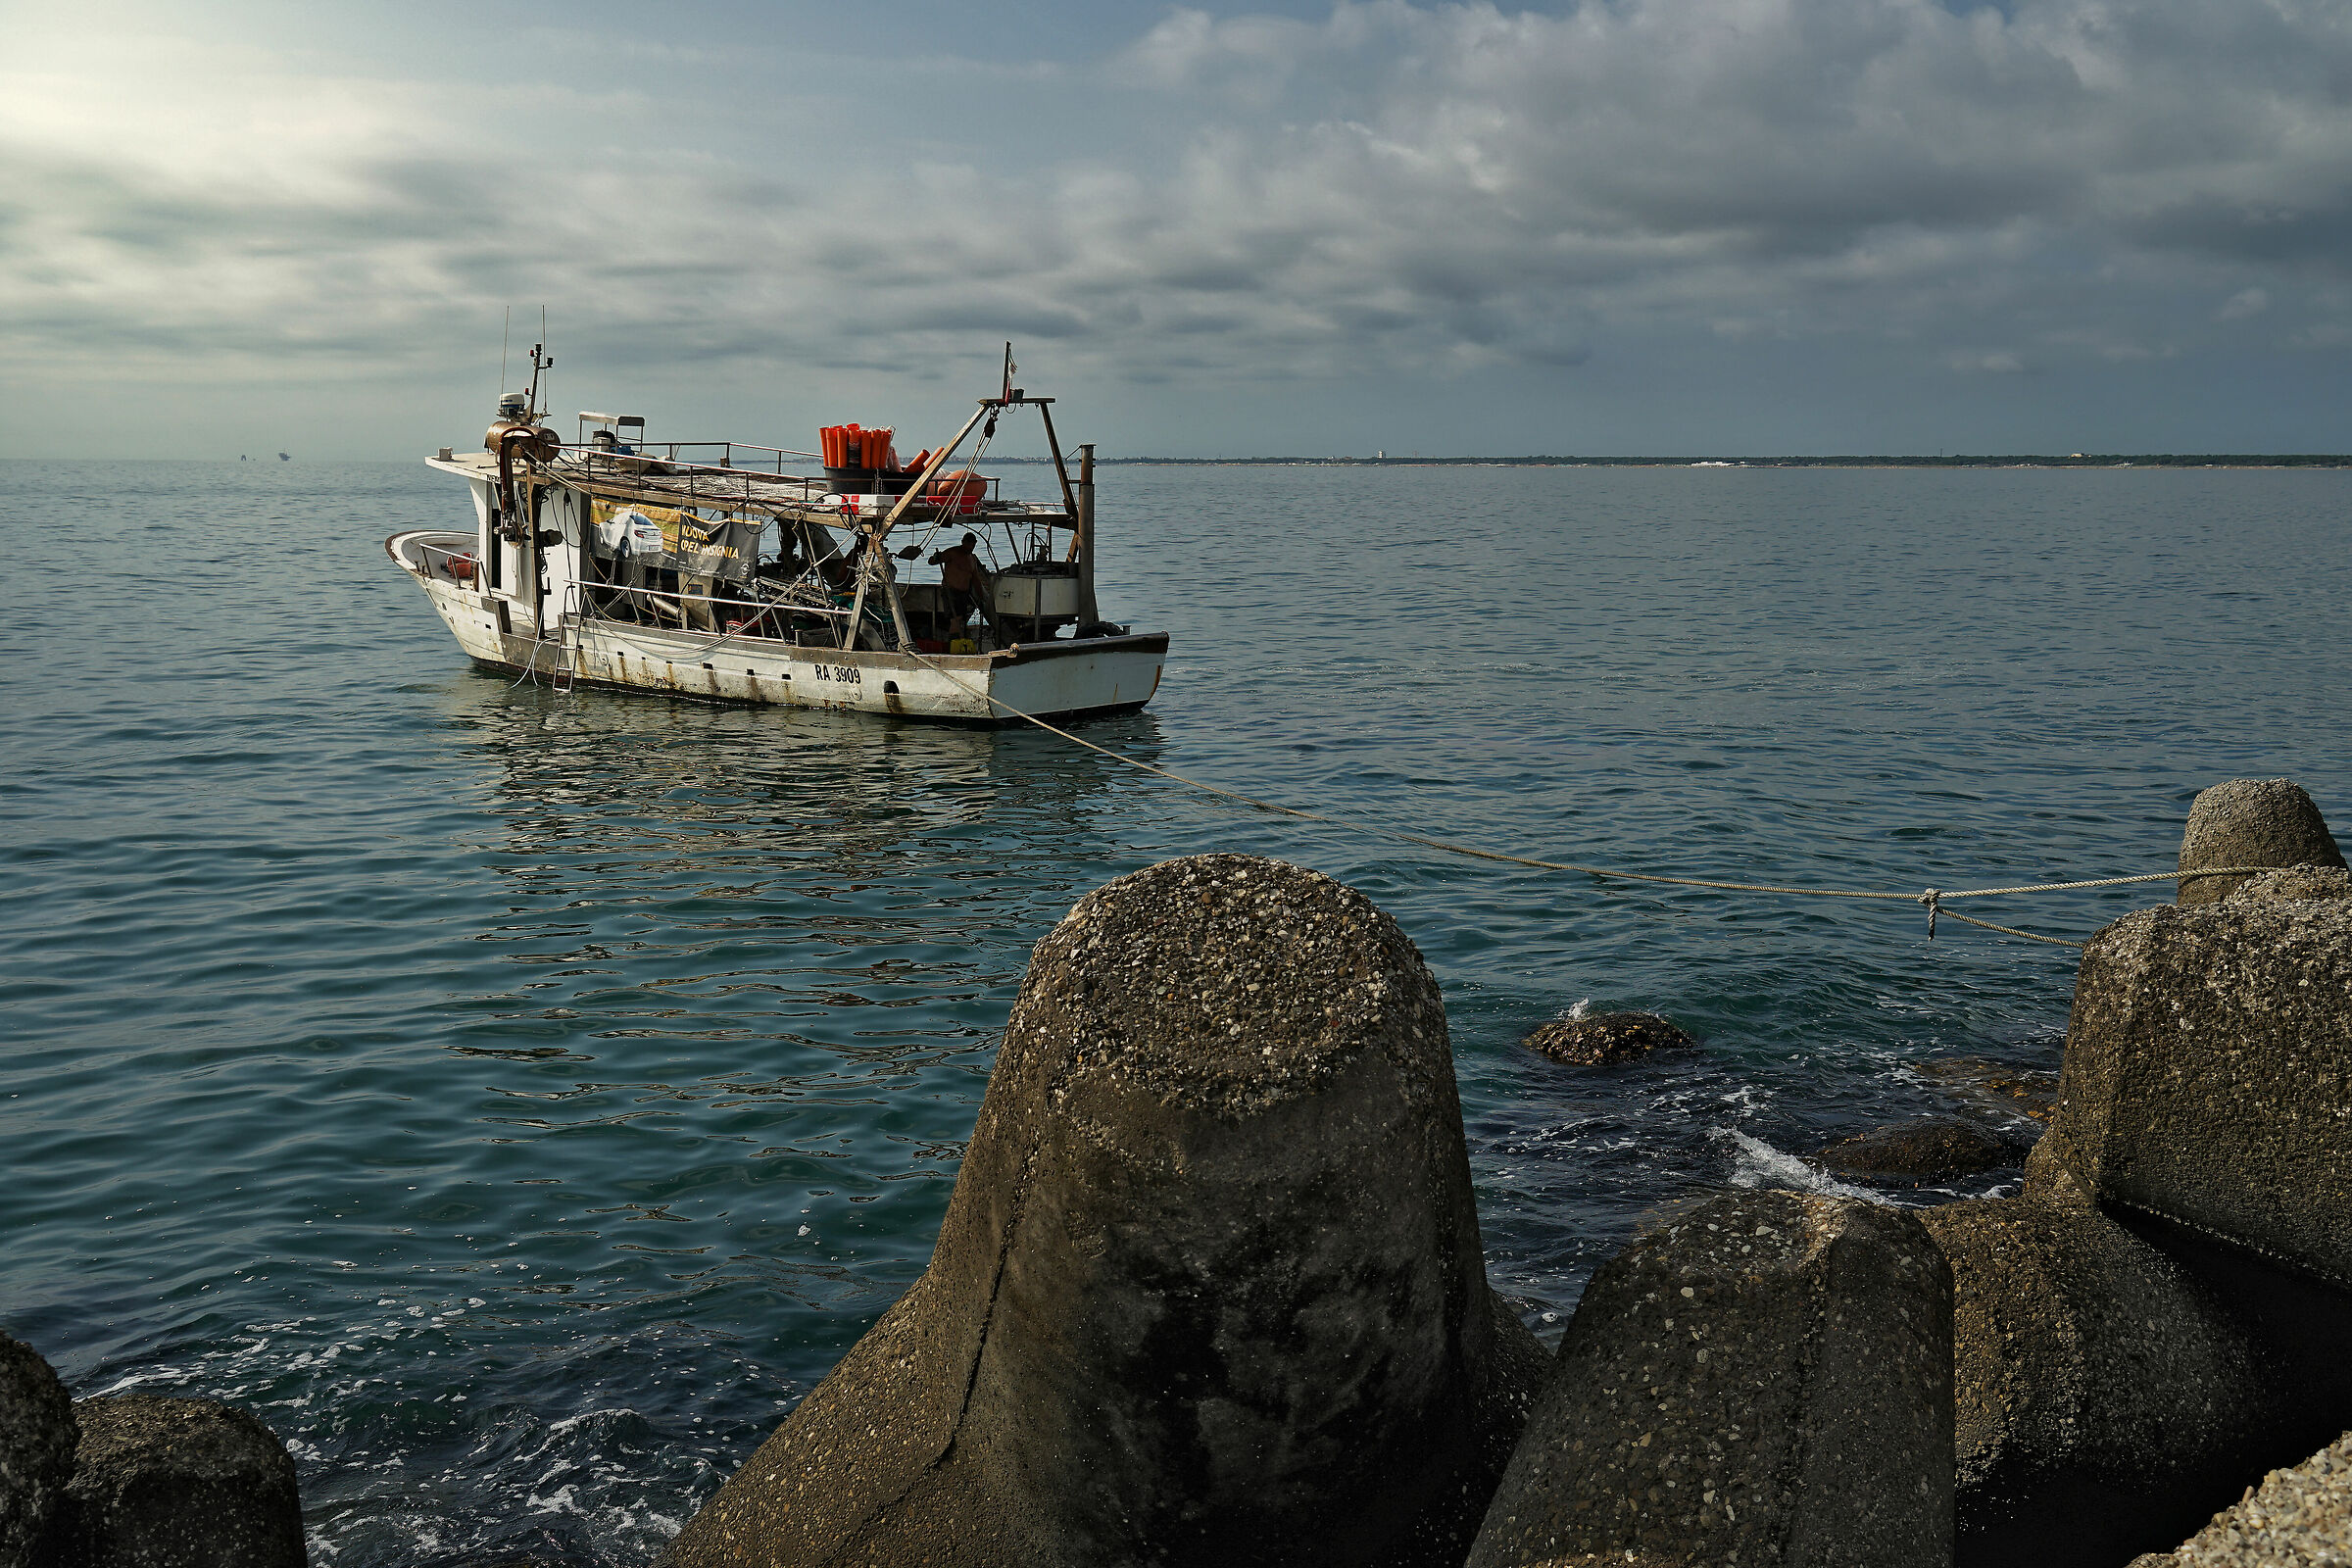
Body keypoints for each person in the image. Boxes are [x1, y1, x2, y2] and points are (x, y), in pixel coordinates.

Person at [930, 532, 989, 625]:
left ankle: (957, 638)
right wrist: (935, 557)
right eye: (969, 544)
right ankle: (953, 638)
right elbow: (931, 562)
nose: (971, 547)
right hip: (950, 592)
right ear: (963, 542)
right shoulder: (951, 553)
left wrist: (981, 598)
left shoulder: (972, 559)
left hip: (964, 594)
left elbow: (976, 580)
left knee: (960, 620)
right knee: (955, 620)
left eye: (973, 544)